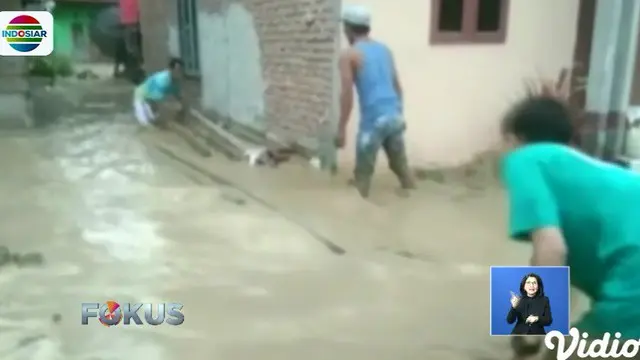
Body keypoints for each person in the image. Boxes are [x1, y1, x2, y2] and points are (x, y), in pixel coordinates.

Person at [500, 94, 640, 358]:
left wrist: (531, 329)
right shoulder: (583, 170)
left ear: (514, 139)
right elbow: (557, 265)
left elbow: (551, 250)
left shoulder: (523, 159)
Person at [336, 5, 415, 198]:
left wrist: (341, 129)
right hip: (394, 115)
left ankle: (359, 218)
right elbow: (397, 87)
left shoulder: (349, 55)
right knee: (401, 168)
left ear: (347, 28)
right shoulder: (385, 50)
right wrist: (398, 114)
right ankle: (411, 191)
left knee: (362, 180)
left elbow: (347, 95)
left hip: (373, 120)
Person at [133, 57, 186, 126]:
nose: (179, 73)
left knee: (157, 121)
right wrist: (173, 108)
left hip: (152, 100)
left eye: (181, 70)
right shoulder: (162, 80)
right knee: (146, 125)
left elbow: (179, 97)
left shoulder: (176, 82)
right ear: (170, 69)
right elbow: (158, 102)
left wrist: (182, 110)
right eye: (177, 70)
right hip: (141, 97)